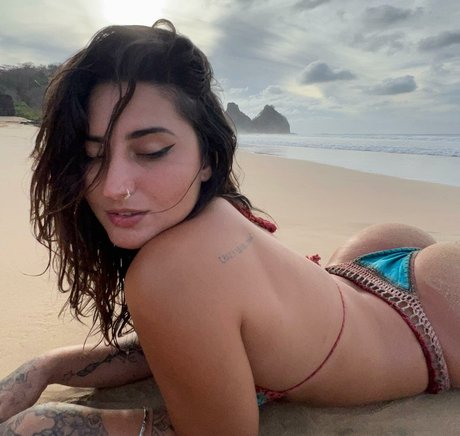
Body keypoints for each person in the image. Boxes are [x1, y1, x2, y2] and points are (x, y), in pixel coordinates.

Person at [0, 19, 459, 436]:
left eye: (152, 151)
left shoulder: (172, 270)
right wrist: (47, 367)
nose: (112, 186)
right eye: (93, 155)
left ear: (207, 158)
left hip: (435, 321)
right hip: (367, 271)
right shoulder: (204, 224)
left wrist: (39, 424)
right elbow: (187, 339)